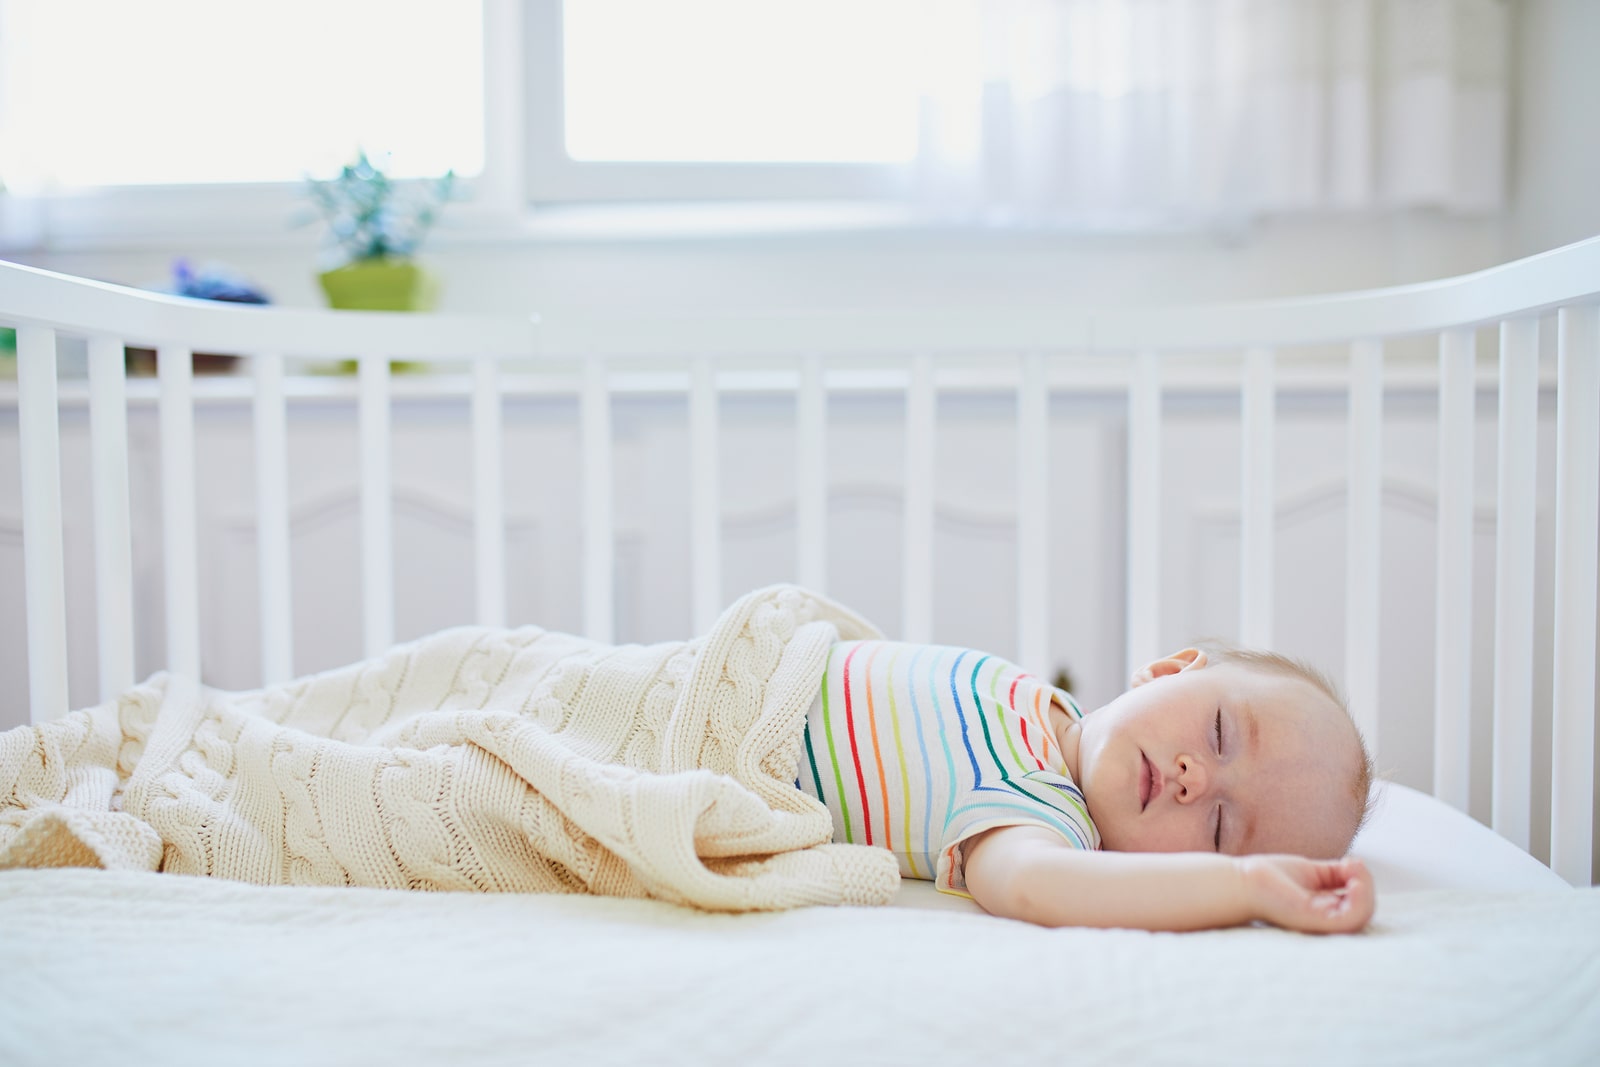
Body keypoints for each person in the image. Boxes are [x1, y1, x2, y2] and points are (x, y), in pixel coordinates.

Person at [797, 640, 1376, 934]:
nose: (1193, 778)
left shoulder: (1044, 810)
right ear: (1170, 672)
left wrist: (1245, 888)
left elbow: (1031, 885)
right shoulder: (1041, 701)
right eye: (1219, 732)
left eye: (1220, 828)